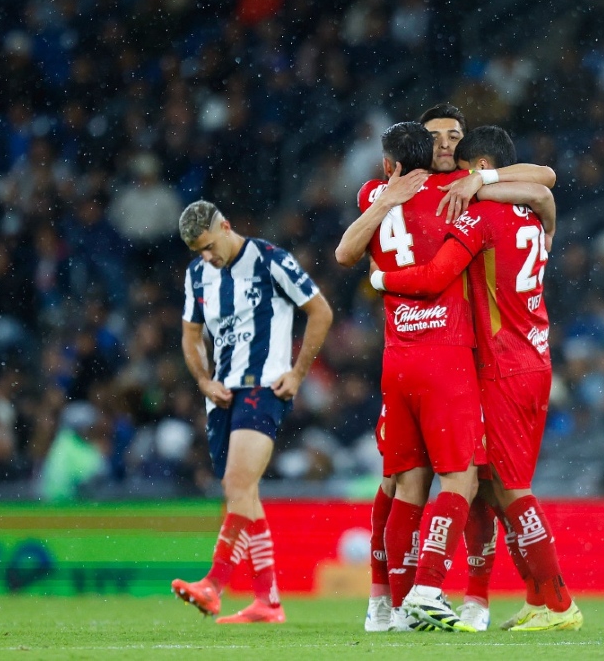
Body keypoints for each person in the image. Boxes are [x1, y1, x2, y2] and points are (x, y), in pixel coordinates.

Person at [338, 108, 557, 632]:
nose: (445, 143)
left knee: (423, 484)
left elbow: (347, 252)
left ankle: (445, 603)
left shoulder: (390, 190)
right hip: (450, 359)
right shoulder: (457, 194)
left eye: (455, 136)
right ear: (420, 144)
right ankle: (407, 596)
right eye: (436, 136)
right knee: (424, 482)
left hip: (411, 358)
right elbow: (545, 185)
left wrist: (382, 271)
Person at [170, 200, 333, 624]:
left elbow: (320, 311)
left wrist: (297, 373)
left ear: (225, 225)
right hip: (221, 396)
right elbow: (190, 335)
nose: (207, 257)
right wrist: (204, 382)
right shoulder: (197, 275)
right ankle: (268, 601)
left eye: (209, 246)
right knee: (243, 494)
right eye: (198, 252)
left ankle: (214, 584)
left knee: (237, 484)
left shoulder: (271, 259)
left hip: (264, 387)